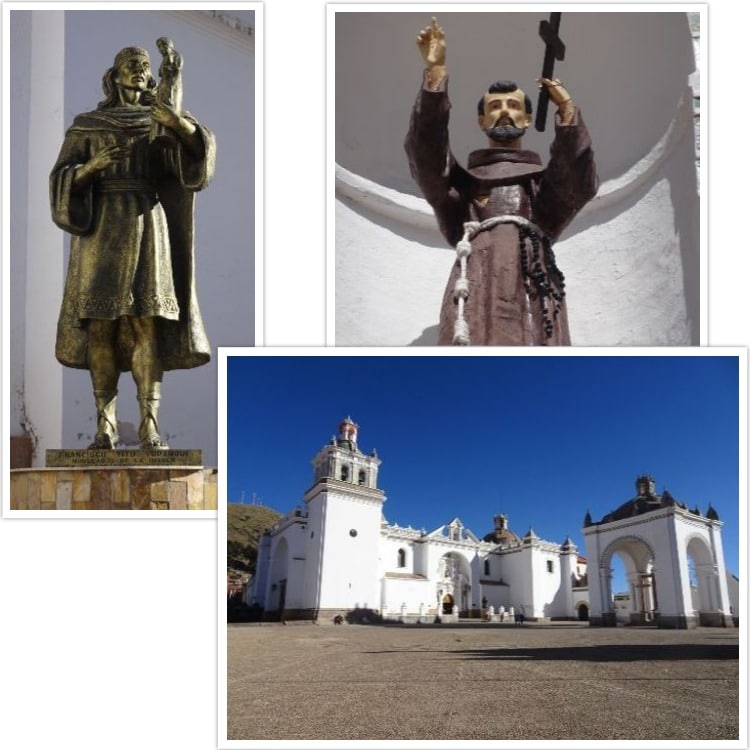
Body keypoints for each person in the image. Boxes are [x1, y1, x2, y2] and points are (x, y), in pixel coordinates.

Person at [50, 44, 216, 450]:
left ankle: (149, 426)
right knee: (100, 328)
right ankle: (105, 427)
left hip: (147, 222)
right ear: (115, 75)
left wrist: (179, 123)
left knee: (147, 324)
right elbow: (59, 179)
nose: (140, 71)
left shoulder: (160, 119)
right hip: (101, 229)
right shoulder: (87, 125)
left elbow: (196, 165)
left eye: (145, 67)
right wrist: (91, 168)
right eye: (132, 65)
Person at [404, 17, 598, 345]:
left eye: (512, 106)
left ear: (525, 118)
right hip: (476, 276)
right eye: (495, 106)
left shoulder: (540, 188)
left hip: (532, 276)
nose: (504, 112)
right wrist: (435, 77)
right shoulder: (462, 185)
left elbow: (577, 182)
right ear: (482, 120)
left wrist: (566, 111)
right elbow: (427, 159)